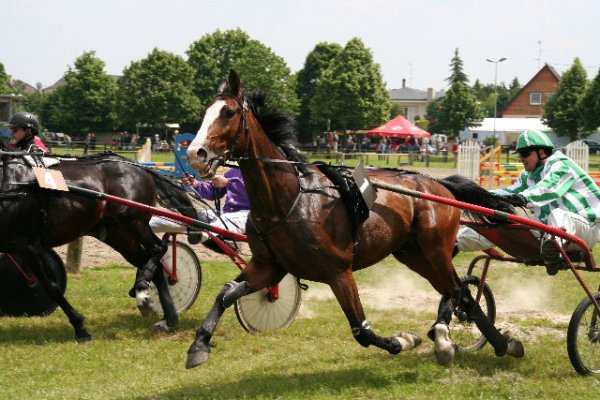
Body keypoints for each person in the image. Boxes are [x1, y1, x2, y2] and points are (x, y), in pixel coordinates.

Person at [456, 129, 600, 275]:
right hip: (550, 231)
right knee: (503, 220)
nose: (521, 158)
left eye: (525, 154)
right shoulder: (528, 176)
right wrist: (475, 196)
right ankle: (456, 242)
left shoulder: (561, 165)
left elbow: (549, 188)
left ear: (542, 152)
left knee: (559, 214)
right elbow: (507, 192)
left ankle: (553, 254)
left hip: (586, 228)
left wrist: (524, 198)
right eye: (520, 155)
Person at [149, 167, 250, 244]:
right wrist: (195, 184)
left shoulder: (261, 170)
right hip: (226, 214)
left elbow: (257, 193)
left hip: (248, 215)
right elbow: (213, 192)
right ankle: (150, 224)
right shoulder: (233, 171)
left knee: (221, 222)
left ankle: (201, 234)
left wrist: (228, 183)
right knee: (190, 217)